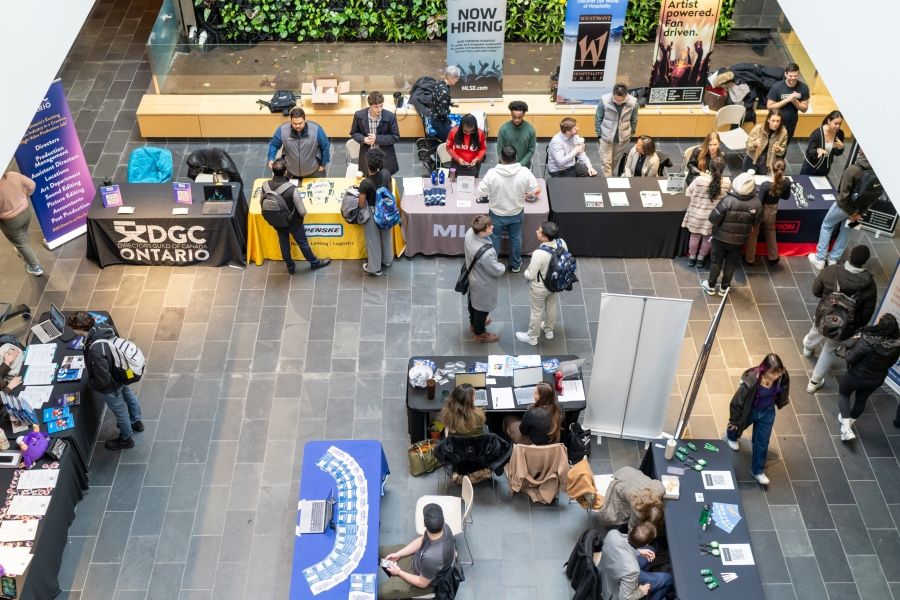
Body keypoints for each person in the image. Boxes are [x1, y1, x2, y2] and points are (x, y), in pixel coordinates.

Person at [803, 245, 877, 393]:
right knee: (829, 349)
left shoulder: (831, 271)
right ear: (865, 262)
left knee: (817, 329)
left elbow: (816, 291)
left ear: (850, 257)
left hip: (824, 315)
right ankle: (814, 382)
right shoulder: (869, 285)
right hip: (845, 328)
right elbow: (866, 314)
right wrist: (855, 326)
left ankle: (807, 348)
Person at [66, 311, 143, 451]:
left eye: (73, 328)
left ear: (80, 329)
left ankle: (126, 438)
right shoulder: (103, 327)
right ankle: (136, 421)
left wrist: (92, 384)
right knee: (129, 396)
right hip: (122, 372)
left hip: (112, 383)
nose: (72, 330)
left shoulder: (95, 349)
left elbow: (103, 379)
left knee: (120, 411)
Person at [725, 353, 790, 486]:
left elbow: (783, 388)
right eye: (773, 373)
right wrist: (733, 421)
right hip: (750, 410)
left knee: (762, 441)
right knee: (738, 426)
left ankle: (758, 471)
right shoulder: (752, 381)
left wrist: (781, 401)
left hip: (767, 412)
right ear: (765, 369)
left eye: (778, 373)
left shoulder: (782, 376)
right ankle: (732, 436)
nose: (776, 376)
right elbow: (737, 402)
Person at [808, 149, 877, 270]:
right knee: (847, 231)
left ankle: (820, 259)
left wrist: (851, 212)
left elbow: (843, 196)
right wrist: (858, 213)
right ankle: (833, 259)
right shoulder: (877, 172)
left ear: (861, 152)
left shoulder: (853, 170)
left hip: (843, 208)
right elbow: (873, 197)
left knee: (827, 225)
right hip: (858, 211)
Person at [837, 313, 900, 441]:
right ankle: (849, 423)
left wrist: (849, 348)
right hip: (876, 379)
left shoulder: (867, 340)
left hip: (856, 375)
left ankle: (846, 427)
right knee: (862, 399)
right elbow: (891, 363)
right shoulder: (897, 345)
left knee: (844, 393)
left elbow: (850, 358)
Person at [478, 145, 540, 273]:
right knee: (516, 239)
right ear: (516, 157)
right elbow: (534, 190)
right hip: (516, 212)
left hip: (496, 213)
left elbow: (481, 191)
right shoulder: (525, 172)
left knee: (494, 239)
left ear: (500, 157)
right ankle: (516, 265)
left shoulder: (492, 173)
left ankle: (493, 265)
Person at [264, 160, 331, 274]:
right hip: (294, 223)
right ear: (285, 172)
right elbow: (302, 211)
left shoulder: (265, 185)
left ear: (273, 171)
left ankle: (290, 267)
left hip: (276, 221)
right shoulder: (291, 189)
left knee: (284, 244)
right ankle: (314, 263)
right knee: (303, 243)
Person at [378, 503, 456, 599]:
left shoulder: (432, 558)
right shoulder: (443, 527)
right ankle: (393, 575)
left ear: (424, 524)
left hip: (421, 581)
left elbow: (422, 583)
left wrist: (398, 572)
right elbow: (420, 540)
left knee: (379, 593)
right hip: (417, 561)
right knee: (379, 552)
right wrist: (398, 554)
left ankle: (395, 583)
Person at [701, 170, 761, 296]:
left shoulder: (727, 200)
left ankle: (711, 286)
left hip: (720, 238)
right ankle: (724, 288)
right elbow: (757, 222)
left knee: (716, 262)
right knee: (731, 263)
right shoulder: (757, 203)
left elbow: (713, 218)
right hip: (739, 240)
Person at [515, 221, 567, 344]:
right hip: (555, 284)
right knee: (552, 306)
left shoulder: (539, 254)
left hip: (540, 287)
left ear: (544, 237)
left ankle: (532, 337)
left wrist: (525, 272)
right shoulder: (562, 242)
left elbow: (530, 275)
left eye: (539, 230)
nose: (536, 231)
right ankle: (549, 330)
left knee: (536, 311)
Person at [598, 521, 673, 600]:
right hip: (613, 589)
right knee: (668, 579)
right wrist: (641, 591)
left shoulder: (612, 534)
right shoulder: (633, 570)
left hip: (608, 571)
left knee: (651, 549)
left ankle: (644, 580)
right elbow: (624, 598)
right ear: (645, 544)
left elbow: (621, 545)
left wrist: (638, 551)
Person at [682, 156, 730, 267]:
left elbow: (688, 193)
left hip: (696, 215)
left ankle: (692, 258)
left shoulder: (699, 180)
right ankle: (700, 259)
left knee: (694, 237)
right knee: (707, 238)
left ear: (709, 167)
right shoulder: (727, 183)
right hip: (713, 218)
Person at [464, 215, 506, 343]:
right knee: (482, 309)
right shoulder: (487, 254)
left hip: (473, 277)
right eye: (489, 227)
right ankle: (479, 333)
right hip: (484, 283)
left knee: (473, 301)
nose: (492, 227)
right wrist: (502, 266)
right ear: (482, 232)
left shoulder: (470, 232)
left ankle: (473, 323)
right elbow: (496, 270)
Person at [744, 159, 790, 266]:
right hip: (773, 211)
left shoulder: (765, 185)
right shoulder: (786, 182)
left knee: (754, 233)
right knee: (770, 231)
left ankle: (749, 259)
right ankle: (773, 257)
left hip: (761, 211)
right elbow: (786, 197)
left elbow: (759, 202)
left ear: (771, 169)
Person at [267, 107, 331, 180]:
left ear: (305, 120)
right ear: (291, 121)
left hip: (313, 171)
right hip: (290, 171)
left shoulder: (316, 129)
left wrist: (323, 164)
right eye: (294, 123)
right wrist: (271, 158)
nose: (297, 126)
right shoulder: (282, 130)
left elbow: (325, 146)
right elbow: (274, 145)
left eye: (300, 123)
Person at [358, 148, 394, 276]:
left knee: (373, 241)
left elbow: (361, 204)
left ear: (368, 164)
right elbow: (390, 191)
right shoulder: (386, 173)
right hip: (385, 211)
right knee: (386, 236)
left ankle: (375, 268)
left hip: (373, 212)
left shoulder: (365, 183)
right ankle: (388, 260)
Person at [595, 466, 665, 530]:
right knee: (611, 514)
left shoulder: (659, 488)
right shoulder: (638, 512)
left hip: (629, 473)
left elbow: (660, 486)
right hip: (620, 486)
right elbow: (632, 528)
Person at [0, 171, 43, 276]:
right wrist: (25, 196)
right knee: (22, 232)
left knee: (21, 243)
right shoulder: (12, 175)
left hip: (10, 221)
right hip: (26, 211)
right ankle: (22, 247)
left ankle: (35, 267)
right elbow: (32, 184)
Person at [350, 91, 401, 175]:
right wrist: (363, 139)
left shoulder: (390, 116)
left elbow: (395, 137)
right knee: (369, 180)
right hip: (367, 155)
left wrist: (377, 139)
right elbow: (354, 133)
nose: (380, 109)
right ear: (370, 106)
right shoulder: (359, 115)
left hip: (384, 155)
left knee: (385, 179)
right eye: (376, 107)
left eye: (381, 106)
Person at [594, 83, 639, 177]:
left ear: (626, 95)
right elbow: (598, 118)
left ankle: (608, 176)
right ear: (613, 94)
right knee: (606, 163)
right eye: (616, 99)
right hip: (606, 137)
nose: (618, 102)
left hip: (623, 138)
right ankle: (607, 182)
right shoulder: (604, 101)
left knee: (614, 161)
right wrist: (599, 133)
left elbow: (634, 120)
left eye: (621, 100)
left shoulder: (633, 104)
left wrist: (631, 133)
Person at [766, 62, 810, 144]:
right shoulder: (777, 87)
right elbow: (769, 107)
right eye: (790, 76)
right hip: (775, 121)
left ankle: (781, 157)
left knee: (784, 144)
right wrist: (786, 100)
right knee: (770, 143)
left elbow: (804, 109)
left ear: (798, 74)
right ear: (786, 74)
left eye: (795, 76)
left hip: (791, 122)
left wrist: (794, 101)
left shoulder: (804, 88)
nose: (793, 78)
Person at [800, 110, 845, 177]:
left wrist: (841, 147)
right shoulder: (817, 133)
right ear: (829, 121)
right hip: (811, 167)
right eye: (835, 123)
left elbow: (837, 153)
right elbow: (809, 151)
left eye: (840, 124)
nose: (838, 126)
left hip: (825, 168)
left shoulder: (840, 134)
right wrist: (818, 150)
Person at [744, 108, 788, 174]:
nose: (775, 124)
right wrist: (754, 144)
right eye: (773, 121)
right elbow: (748, 145)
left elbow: (782, 151)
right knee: (747, 179)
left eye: (778, 121)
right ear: (768, 120)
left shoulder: (783, 132)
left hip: (767, 160)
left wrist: (779, 149)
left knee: (762, 179)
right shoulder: (758, 128)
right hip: (752, 157)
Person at [496, 100, 536, 169]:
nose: (517, 120)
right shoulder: (503, 129)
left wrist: (520, 164)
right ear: (511, 114)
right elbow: (500, 149)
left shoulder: (530, 130)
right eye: (514, 117)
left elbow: (531, 150)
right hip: (505, 166)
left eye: (519, 117)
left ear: (523, 115)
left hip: (523, 167)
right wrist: (508, 164)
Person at [430, 66, 460, 143]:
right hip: (439, 122)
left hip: (434, 117)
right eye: (456, 78)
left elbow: (439, 100)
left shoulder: (439, 84)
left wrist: (451, 104)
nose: (457, 80)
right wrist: (451, 123)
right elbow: (442, 114)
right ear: (450, 77)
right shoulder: (445, 92)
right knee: (454, 138)